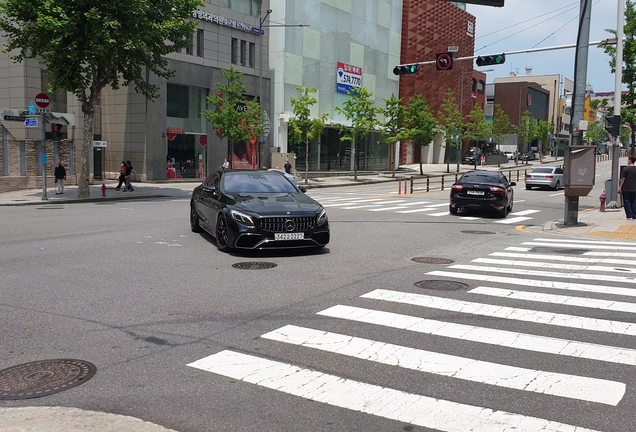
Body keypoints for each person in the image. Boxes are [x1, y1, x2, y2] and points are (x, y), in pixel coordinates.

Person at [619, 155, 636, 219]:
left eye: (628, 159)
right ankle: (634, 215)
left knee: (627, 201)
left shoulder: (626, 169)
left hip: (626, 188)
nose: (627, 161)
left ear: (630, 160)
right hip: (634, 188)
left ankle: (629, 215)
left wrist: (620, 187)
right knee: (634, 201)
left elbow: (623, 178)